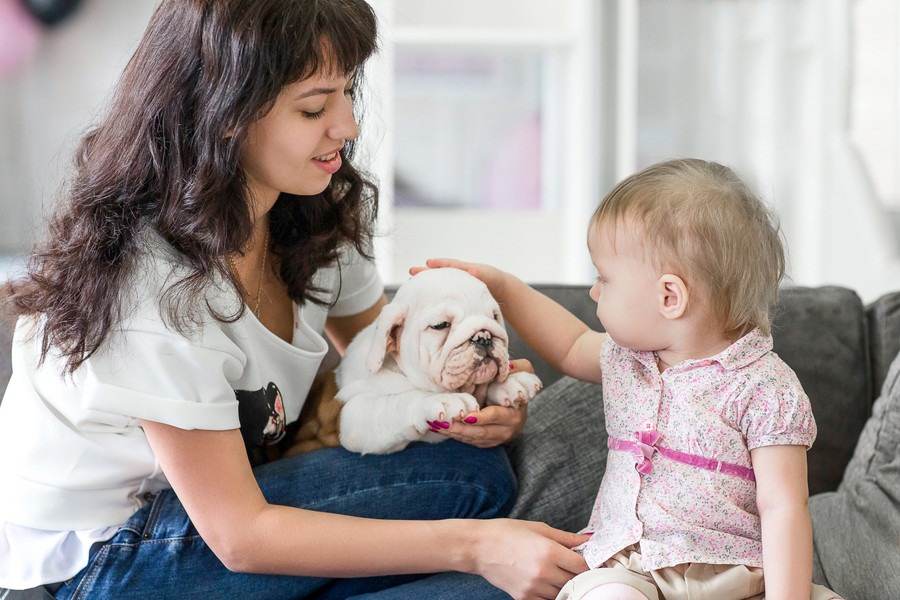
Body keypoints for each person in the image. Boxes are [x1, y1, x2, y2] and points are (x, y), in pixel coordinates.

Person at [0, 1, 591, 598]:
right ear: (226, 113)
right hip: (102, 560)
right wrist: (476, 546)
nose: (348, 125)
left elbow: (386, 362)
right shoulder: (150, 288)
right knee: (474, 489)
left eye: (346, 93)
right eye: (314, 107)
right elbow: (240, 536)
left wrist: (485, 403)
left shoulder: (313, 207)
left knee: (486, 567)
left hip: (226, 513)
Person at [418, 159, 841, 599]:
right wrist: (505, 288)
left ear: (669, 297)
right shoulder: (627, 360)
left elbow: (783, 507)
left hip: (736, 575)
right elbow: (568, 344)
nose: (593, 292)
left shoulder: (766, 388)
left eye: (604, 278)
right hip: (629, 570)